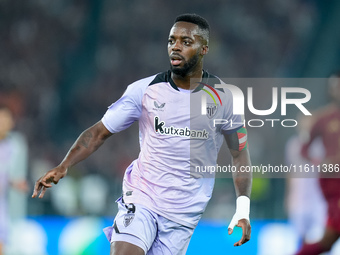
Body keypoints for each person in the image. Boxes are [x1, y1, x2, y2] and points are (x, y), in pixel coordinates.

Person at [32, 14, 252, 255]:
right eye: (171, 40)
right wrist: (64, 165)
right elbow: (98, 132)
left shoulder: (224, 98)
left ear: (204, 49)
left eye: (186, 42)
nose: (176, 47)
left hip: (184, 213)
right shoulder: (145, 90)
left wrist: (242, 208)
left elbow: (239, 154)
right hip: (142, 196)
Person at [295, 71, 340, 255]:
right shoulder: (323, 118)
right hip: (333, 181)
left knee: (328, 241)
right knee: (329, 237)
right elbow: (304, 149)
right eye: (335, 87)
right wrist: (319, 163)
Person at [0, 105, 28, 255]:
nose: (3, 123)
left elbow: (6, 174)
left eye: (6, 119)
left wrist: (14, 183)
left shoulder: (14, 146)